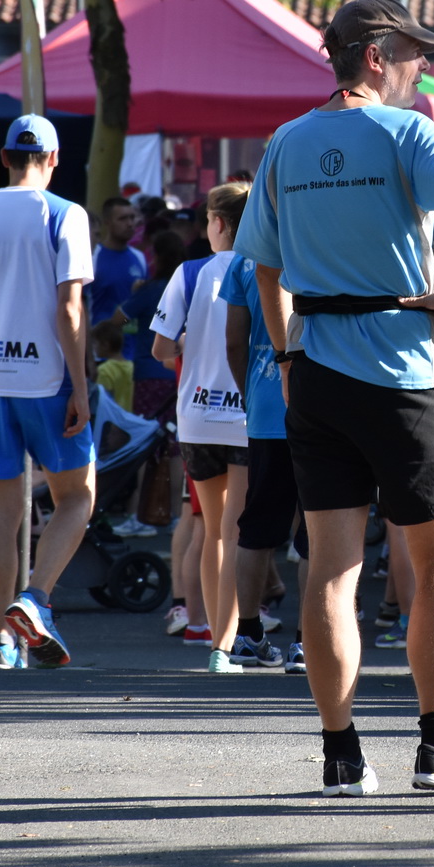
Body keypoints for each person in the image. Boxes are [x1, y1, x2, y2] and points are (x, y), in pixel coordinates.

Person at [235, 0, 434, 795]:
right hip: (405, 372)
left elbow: (265, 266)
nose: (424, 67)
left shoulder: (286, 142)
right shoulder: (410, 131)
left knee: (331, 568)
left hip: (316, 367)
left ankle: (342, 755)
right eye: (417, 54)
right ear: (379, 55)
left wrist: (286, 352)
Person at [0, 114, 96, 670]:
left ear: (4, 158)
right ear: (53, 160)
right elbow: (70, 309)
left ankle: (1, 643)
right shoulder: (65, 215)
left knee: (2, 509)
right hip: (46, 380)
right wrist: (80, 386)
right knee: (77, 496)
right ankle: (36, 598)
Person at [149, 182, 263, 674]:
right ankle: (226, 645)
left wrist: (189, 348)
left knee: (211, 530)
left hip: (195, 415)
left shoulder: (189, 272)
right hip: (245, 414)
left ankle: (215, 638)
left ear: (217, 224)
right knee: (235, 531)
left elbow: (159, 349)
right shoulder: (263, 270)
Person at [222, 227, 313, 677]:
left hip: (265, 404)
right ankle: (307, 641)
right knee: (320, 529)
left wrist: (251, 394)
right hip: (323, 403)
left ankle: (247, 632)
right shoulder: (323, 240)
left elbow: (234, 341)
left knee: (257, 524)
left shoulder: (244, 259)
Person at [114, 230, 182, 541]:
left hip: (148, 373)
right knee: (176, 448)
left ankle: (138, 514)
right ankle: (177, 515)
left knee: (143, 445)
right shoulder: (185, 286)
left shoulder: (149, 289)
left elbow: (117, 318)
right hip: (179, 373)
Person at [90, 196, 146, 326]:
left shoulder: (139, 258)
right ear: (107, 222)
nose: (130, 224)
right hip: (101, 341)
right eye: (123, 219)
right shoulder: (93, 256)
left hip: (133, 343)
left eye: (132, 218)